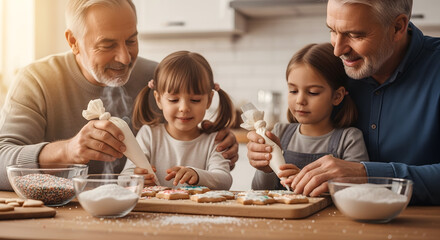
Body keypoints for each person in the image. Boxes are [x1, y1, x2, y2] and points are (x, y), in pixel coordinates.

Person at [0, 0, 238, 191]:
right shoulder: (37, 80)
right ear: (74, 41)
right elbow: (2, 162)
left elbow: (186, 130)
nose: (125, 58)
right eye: (107, 45)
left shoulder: (155, 78)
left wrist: (216, 137)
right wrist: (67, 151)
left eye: (132, 40)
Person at [247, 0, 440, 205]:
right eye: (332, 30)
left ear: (398, 27)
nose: (338, 50)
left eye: (355, 35)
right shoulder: (336, 70)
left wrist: (366, 175)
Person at [251, 43, 369, 190]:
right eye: (293, 91)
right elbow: (259, 190)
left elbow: (358, 191)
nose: (300, 100)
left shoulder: (349, 139)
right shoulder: (279, 132)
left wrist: (309, 181)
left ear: (337, 96)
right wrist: (267, 169)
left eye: (313, 92)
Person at [121, 51, 234, 189]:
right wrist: (137, 178)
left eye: (195, 100)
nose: (184, 108)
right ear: (158, 99)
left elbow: (224, 180)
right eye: (173, 100)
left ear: (209, 100)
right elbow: (123, 179)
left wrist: (197, 175)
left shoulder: (214, 140)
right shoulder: (149, 135)